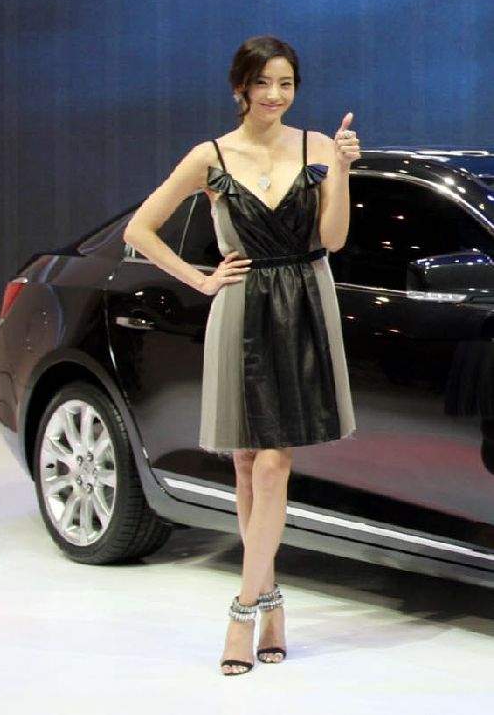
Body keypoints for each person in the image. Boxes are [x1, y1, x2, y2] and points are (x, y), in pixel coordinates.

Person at [123, 35, 360, 676]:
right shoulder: (211, 156)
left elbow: (333, 239)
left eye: (286, 83)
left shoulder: (317, 148)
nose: (275, 95)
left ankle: (244, 608)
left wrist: (341, 171)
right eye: (263, 83)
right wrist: (200, 279)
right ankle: (273, 604)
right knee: (248, 464)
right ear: (240, 88)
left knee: (274, 463)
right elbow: (140, 228)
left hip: (304, 302)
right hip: (242, 309)